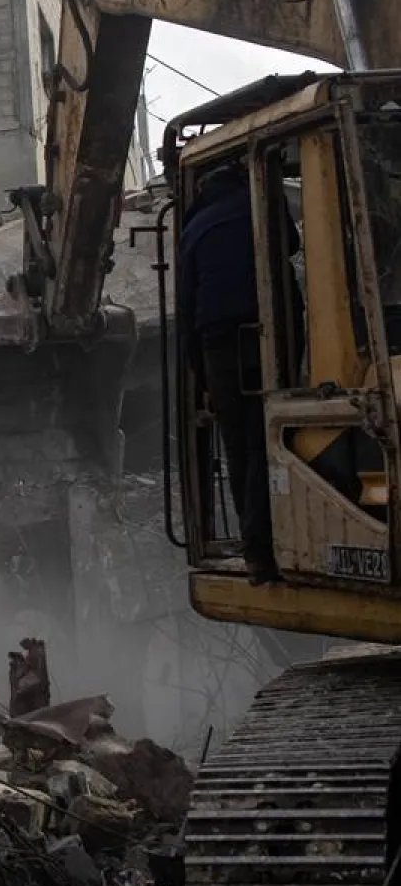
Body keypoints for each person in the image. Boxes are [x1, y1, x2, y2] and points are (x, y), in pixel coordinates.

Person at [179, 163, 297, 585]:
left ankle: (254, 553)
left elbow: (187, 310)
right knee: (272, 439)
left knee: (238, 445)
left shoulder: (193, 227)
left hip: (217, 347)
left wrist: (203, 379)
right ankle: (276, 540)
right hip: (267, 333)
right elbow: (292, 243)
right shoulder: (260, 201)